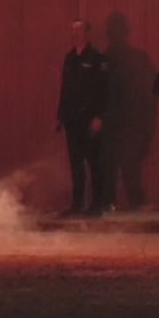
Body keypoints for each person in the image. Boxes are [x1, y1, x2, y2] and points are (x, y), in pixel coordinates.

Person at [55, 19, 109, 216]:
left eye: (79, 30)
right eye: (73, 30)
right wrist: (60, 116)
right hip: (72, 119)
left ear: (87, 32)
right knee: (75, 163)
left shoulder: (97, 58)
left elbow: (103, 90)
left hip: (90, 118)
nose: (75, 34)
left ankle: (97, 204)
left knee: (93, 162)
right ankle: (77, 204)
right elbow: (65, 89)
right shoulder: (69, 58)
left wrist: (99, 117)